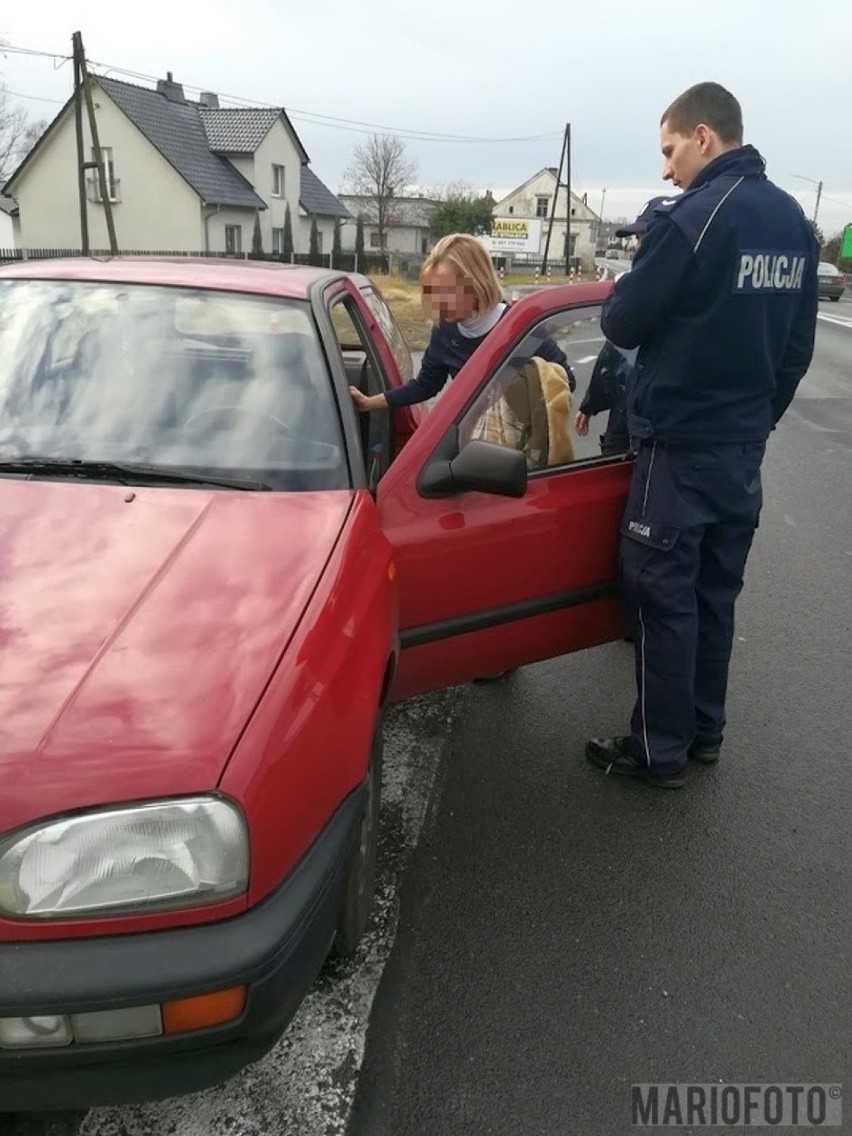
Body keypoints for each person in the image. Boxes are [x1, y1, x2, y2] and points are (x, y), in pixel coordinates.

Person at [585, 81, 818, 789]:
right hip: (742, 449)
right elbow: (796, 350)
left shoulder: (694, 218)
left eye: (669, 149)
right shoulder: (793, 225)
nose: (665, 169)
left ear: (704, 137)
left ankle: (659, 750)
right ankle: (705, 733)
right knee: (717, 594)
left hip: (679, 449)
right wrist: (756, 419)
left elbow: (621, 324)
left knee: (663, 597)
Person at [349, 232, 575, 416]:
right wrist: (370, 402)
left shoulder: (522, 328)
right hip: (471, 449)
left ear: (477, 283)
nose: (437, 303)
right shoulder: (444, 331)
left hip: (518, 456)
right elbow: (425, 386)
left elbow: (566, 382)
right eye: (431, 293)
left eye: (446, 291)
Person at [575, 198, 669, 456]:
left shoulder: (673, 295)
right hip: (624, 415)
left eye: (644, 238)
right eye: (637, 239)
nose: (638, 247)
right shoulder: (633, 289)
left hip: (654, 431)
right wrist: (590, 404)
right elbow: (614, 352)